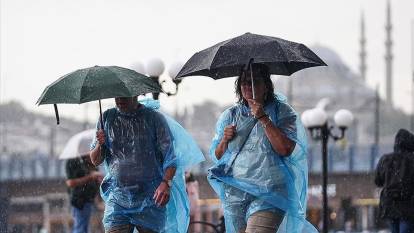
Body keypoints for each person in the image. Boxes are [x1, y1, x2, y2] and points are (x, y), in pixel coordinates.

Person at [208, 64, 317, 233]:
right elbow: (217, 155)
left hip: (270, 191)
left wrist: (263, 118)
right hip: (236, 192)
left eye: (254, 82)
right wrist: (224, 139)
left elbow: (285, 149)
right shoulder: (230, 115)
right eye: (243, 82)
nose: (247, 86)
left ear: (266, 86)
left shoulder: (282, 111)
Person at [90, 96, 204, 233]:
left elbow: (170, 158)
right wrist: (99, 144)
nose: (120, 98)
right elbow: (95, 160)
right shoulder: (107, 118)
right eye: (117, 94)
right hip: (118, 198)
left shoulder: (154, 119)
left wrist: (166, 183)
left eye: (125, 94)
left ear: (136, 94)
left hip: (150, 198)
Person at [375, 128, 414, 233]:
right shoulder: (412, 160)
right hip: (408, 204)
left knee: (394, 230)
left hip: (390, 204)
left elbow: (378, 181)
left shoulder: (385, 159)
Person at [66, 154, 103, 233]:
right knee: (81, 227)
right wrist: (90, 177)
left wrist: (97, 178)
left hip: (89, 199)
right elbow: (70, 182)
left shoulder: (90, 161)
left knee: (84, 227)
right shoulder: (73, 161)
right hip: (79, 201)